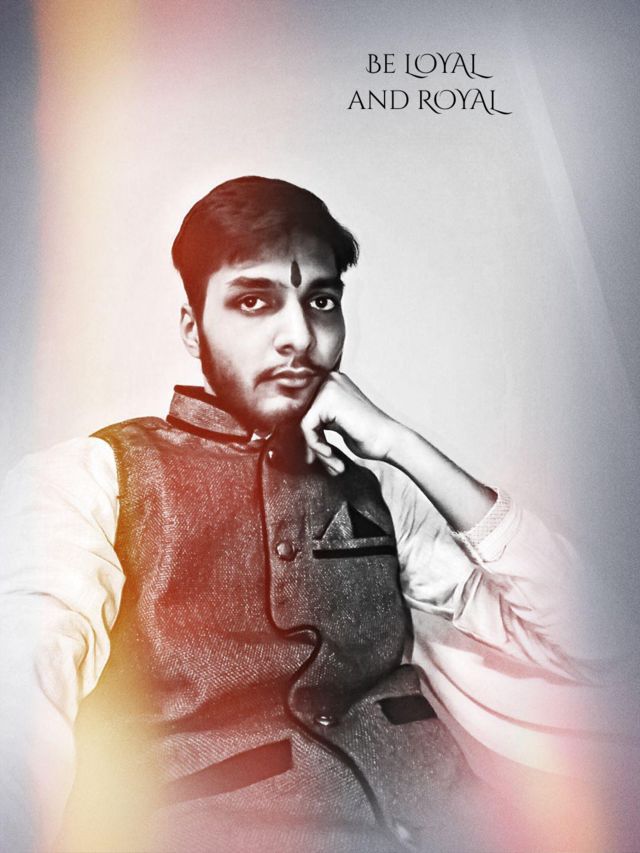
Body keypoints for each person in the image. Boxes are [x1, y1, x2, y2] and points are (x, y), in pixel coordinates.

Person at [0, 177, 586, 853]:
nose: (300, 336)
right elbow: (21, 688)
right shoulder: (96, 478)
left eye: (322, 301)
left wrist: (402, 444)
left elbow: (593, 644)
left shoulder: (381, 489)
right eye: (254, 301)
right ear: (192, 327)